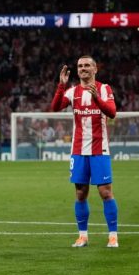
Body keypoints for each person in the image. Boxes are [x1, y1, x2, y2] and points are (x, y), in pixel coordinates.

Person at [50, 55, 119, 248]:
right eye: (80, 66)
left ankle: (113, 235)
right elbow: (55, 108)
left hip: (100, 148)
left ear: (95, 69)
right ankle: (83, 236)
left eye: (87, 65)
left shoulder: (104, 89)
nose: (83, 68)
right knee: (81, 193)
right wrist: (61, 85)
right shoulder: (72, 92)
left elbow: (112, 112)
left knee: (105, 192)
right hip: (79, 149)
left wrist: (96, 97)